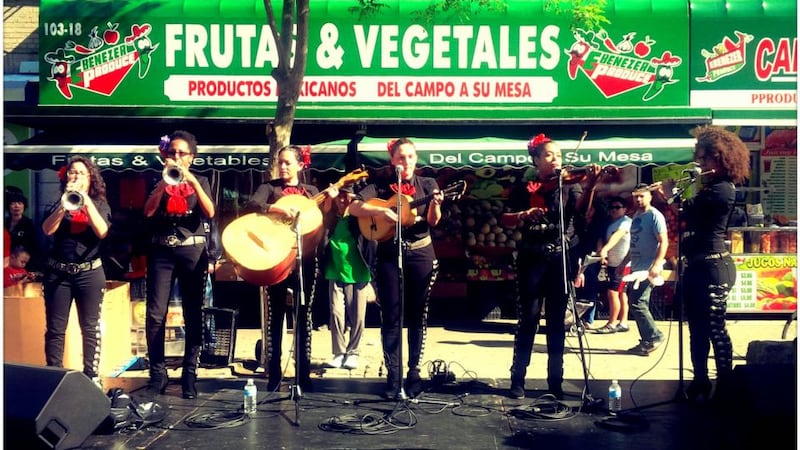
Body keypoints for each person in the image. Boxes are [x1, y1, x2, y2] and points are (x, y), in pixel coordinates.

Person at [500, 133, 599, 400]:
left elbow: (581, 211)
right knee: (528, 320)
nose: (556, 159)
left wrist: (589, 186)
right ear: (535, 159)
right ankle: (517, 378)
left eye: (559, 155)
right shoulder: (525, 186)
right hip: (531, 258)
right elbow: (505, 219)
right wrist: (523, 214)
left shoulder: (569, 185)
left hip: (560, 257)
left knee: (557, 322)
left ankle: (555, 380)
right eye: (549, 155)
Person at [348, 138, 444, 399]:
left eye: (411, 157)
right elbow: (354, 206)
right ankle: (393, 373)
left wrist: (435, 204)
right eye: (401, 157)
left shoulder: (428, 185)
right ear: (393, 160)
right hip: (390, 254)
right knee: (390, 316)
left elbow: (433, 221)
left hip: (421, 253)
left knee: (417, 315)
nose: (406, 162)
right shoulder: (379, 185)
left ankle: (414, 372)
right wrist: (381, 213)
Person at [246, 145, 333, 392]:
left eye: (287, 163)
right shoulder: (269, 187)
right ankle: (274, 376)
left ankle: (303, 375)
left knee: (304, 317)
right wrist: (278, 208)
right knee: (275, 317)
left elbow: (320, 222)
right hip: (276, 258)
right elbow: (253, 204)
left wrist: (329, 205)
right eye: (280, 163)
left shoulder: (311, 191)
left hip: (305, 259)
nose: (283, 167)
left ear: (300, 165)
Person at [672, 126, 750, 403]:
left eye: (705, 159)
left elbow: (692, 217)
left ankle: (726, 383)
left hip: (714, 267)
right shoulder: (707, 188)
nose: (701, 164)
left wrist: (671, 198)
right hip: (696, 266)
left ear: (721, 159)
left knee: (715, 327)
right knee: (696, 329)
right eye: (700, 158)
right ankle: (700, 379)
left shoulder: (723, 190)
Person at [143, 130, 215, 399]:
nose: (176, 157)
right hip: (162, 250)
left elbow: (210, 212)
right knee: (154, 314)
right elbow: (148, 212)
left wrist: (193, 181)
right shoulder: (156, 178)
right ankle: (157, 374)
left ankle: (189, 375)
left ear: (192, 158)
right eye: (172, 152)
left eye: (182, 153)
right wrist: (163, 184)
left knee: (193, 312)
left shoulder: (203, 180)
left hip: (192, 251)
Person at [41, 155, 111, 384]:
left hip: (89, 273)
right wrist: (64, 204)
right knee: (55, 328)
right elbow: (47, 230)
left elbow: (102, 231)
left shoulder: (100, 204)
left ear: (90, 178)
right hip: (58, 273)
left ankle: (92, 377)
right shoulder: (56, 202)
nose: (75, 177)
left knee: (90, 328)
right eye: (72, 172)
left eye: (81, 173)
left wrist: (85, 201)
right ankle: (54, 376)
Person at [322, 186, 374, 371]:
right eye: (340, 196)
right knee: (336, 313)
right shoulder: (332, 218)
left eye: (347, 197)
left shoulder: (359, 218)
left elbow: (371, 242)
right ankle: (339, 352)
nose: (343, 200)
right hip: (335, 270)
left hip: (358, 272)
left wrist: (372, 279)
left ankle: (353, 353)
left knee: (357, 316)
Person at [622, 184, 667, 356]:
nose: (638, 199)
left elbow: (663, 242)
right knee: (636, 302)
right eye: (635, 196)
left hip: (648, 268)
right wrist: (624, 262)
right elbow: (634, 243)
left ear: (650, 196)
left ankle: (654, 336)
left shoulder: (655, 216)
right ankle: (647, 341)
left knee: (638, 302)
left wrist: (656, 264)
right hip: (636, 267)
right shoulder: (636, 215)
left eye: (642, 196)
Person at [594, 196, 632, 334]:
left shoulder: (626, 222)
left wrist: (605, 249)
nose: (614, 210)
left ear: (625, 209)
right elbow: (602, 238)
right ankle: (623, 322)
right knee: (621, 293)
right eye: (612, 208)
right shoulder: (610, 223)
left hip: (623, 264)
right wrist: (601, 251)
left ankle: (611, 323)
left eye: (617, 207)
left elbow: (617, 236)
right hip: (612, 263)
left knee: (613, 292)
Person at [5, 191, 41, 270]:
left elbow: (33, 246)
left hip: (23, 263)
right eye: (13, 203)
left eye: (20, 203)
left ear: (24, 206)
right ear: (8, 206)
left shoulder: (29, 224)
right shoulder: (4, 222)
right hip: (5, 261)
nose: (16, 206)